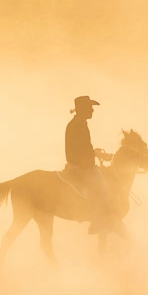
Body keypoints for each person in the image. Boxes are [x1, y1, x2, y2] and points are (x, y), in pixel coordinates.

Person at [63, 95, 116, 234]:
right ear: (83, 109)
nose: (92, 110)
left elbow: (83, 147)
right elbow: (81, 149)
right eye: (90, 108)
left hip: (81, 162)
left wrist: (95, 153)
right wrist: (96, 155)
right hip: (80, 165)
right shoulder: (78, 125)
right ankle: (97, 223)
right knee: (102, 187)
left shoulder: (78, 123)